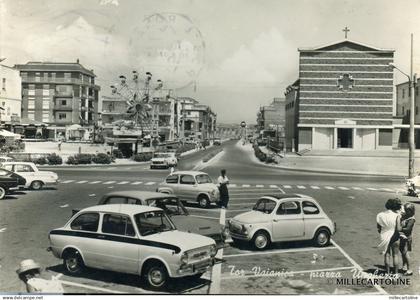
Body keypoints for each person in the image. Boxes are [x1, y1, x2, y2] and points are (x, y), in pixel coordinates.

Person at [376, 198, 402, 276]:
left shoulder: (380, 215)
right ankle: (396, 273)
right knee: (395, 255)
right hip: (394, 235)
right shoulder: (397, 215)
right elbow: (398, 228)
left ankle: (387, 273)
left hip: (384, 235)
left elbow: (379, 227)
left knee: (387, 255)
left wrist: (383, 232)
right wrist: (402, 226)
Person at [399, 203, 416, 276]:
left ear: (410, 211)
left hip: (406, 237)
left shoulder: (411, 219)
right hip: (402, 236)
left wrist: (399, 229)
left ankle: (409, 269)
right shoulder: (405, 216)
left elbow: (408, 229)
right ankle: (404, 266)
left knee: (405, 253)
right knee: (402, 251)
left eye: (406, 210)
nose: (405, 211)